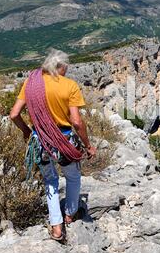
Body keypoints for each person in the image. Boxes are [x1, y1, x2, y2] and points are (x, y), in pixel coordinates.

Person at [10, 49, 96, 241]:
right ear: (61, 67)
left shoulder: (31, 84)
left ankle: (56, 227)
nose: (66, 72)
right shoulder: (69, 85)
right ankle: (70, 213)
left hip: (40, 141)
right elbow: (76, 122)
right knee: (73, 177)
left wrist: (26, 131)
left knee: (50, 181)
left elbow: (14, 114)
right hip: (64, 140)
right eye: (66, 68)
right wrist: (88, 145)